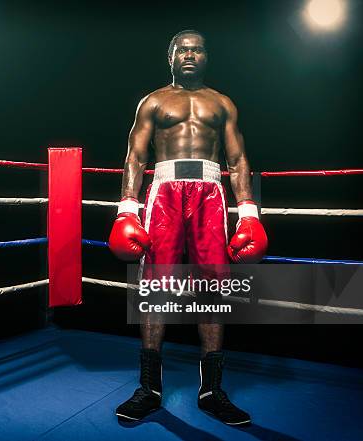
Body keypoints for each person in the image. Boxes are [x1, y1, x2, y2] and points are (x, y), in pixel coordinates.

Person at [108, 30, 267, 425]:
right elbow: (134, 155)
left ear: (206, 56)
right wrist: (127, 208)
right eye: (183, 49)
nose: (190, 55)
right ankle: (149, 388)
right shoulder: (155, 101)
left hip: (212, 193)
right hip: (163, 192)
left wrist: (249, 212)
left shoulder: (222, 103)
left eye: (197, 49)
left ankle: (213, 390)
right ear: (171, 56)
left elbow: (238, 158)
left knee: (212, 287)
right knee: (157, 287)